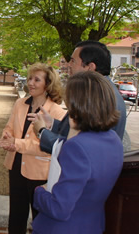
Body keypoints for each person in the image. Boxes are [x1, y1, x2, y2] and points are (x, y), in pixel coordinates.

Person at [32, 71, 124, 234]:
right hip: (91, 225)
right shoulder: (113, 140)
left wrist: (39, 191)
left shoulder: (77, 148)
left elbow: (59, 208)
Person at [0, 63, 66, 234]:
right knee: (16, 215)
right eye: (30, 79)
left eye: (37, 79)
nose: (31, 83)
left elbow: (47, 145)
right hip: (16, 166)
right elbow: (10, 127)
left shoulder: (57, 112)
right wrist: (7, 137)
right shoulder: (20, 103)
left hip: (40, 172)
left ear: (48, 84)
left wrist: (16, 143)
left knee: (40, 218)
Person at [32, 41, 126, 154]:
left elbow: (77, 149)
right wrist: (52, 123)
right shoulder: (102, 92)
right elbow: (78, 129)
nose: (68, 65)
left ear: (90, 67)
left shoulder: (100, 98)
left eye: (73, 61)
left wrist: (42, 132)